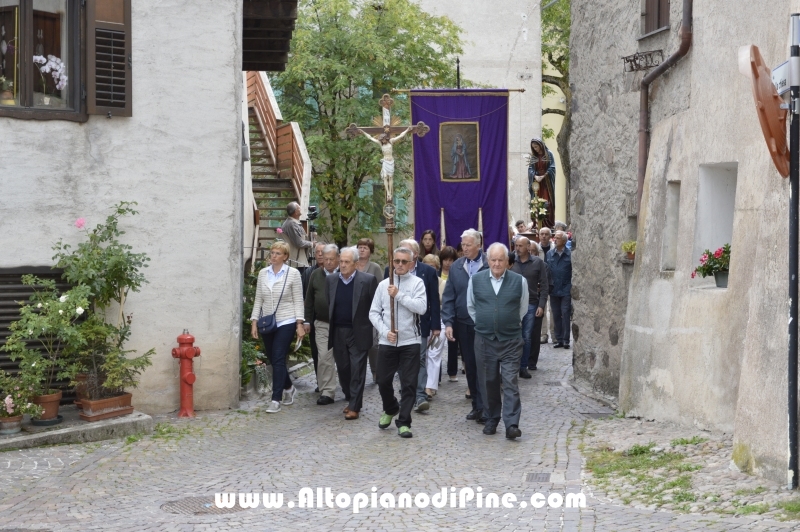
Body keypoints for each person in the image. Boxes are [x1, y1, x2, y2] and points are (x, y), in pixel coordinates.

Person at [468, 243, 528, 439]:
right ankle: (492, 418)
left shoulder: (519, 281)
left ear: (507, 262)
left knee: (510, 381)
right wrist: (485, 323)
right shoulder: (476, 280)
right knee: (488, 381)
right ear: (487, 260)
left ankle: (511, 424)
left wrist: (507, 322)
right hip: (484, 340)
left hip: (511, 339)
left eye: (500, 260)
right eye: (493, 260)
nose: (496, 263)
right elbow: (471, 306)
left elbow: (523, 308)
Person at [369, 247, 427, 439]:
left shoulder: (417, 283)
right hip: (388, 342)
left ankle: (404, 421)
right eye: (397, 261)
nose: (400, 265)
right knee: (383, 380)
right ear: (392, 262)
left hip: (410, 341)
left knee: (409, 383)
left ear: (411, 264)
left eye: (404, 261)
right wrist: (385, 332)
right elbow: (373, 312)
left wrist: (399, 295)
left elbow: (421, 308)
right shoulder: (383, 285)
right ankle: (391, 407)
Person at [250, 241, 306, 413]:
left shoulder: (293, 274)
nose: (273, 255)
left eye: (277, 253)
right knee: (274, 359)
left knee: (278, 356)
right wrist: (254, 321)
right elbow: (259, 298)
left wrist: (299, 324)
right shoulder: (262, 273)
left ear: (285, 257)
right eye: (272, 252)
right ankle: (289, 388)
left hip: (286, 320)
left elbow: (298, 299)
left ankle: (276, 399)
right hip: (267, 321)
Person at [387, 239, 440, 413]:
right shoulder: (390, 271)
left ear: (415, 255)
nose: (401, 259)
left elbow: (433, 300)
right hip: (399, 325)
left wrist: (435, 326)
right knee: (402, 361)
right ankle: (406, 392)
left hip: (421, 323)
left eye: (406, 252)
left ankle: (420, 395)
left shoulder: (428, 272)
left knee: (420, 359)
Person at [327, 247, 378, 420]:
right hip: (338, 331)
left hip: (359, 331)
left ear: (356, 264)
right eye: (341, 261)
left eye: (347, 262)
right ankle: (351, 397)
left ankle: (355, 406)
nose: (342, 265)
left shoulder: (368, 280)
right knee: (343, 368)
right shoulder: (332, 280)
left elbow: (375, 307)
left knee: (357, 370)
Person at [443, 228, 488, 424]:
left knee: (485, 365)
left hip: (485, 323)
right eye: (463, 245)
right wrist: (448, 322)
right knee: (470, 364)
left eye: (469, 245)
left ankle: (488, 407)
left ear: (478, 245)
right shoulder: (457, 267)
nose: (465, 248)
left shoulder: (489, 264)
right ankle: (477, 406)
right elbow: (449, 297)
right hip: (463, 322)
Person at [303, 244, 339, 406]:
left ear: (338, 259)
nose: (329, 262)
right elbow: (309, 299)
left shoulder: (345, 274)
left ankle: (349, 386)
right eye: (326, 259)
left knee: (344, 359)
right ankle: (327, 391)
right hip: (322, 323)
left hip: (342, 324)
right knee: (324, 357)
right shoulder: (316, 275)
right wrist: (307, 320)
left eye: (332, 259)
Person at [511, 237, 549, 376]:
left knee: (527, 336)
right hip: (513, 305)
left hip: (531, 303)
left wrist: (542, 305)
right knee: (513, 336)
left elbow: (544, 286)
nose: (518, 248)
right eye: (516, 245)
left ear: (528, 247)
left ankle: (523, 366)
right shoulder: (511, 262)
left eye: (521, 245)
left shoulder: (538, 263)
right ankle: (512, 364)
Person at [355, 237, 383, 384]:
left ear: (370, 251)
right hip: (354, 311)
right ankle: (358, 374)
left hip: (371, 310)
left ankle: (376, 371)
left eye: (365, 247)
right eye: (360, 247)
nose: (362, 249)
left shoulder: (375, 267)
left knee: (373, 344)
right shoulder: (352, 265)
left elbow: (380, 289)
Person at [422, 254, 447, 399]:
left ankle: (430, 386)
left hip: (440, 322)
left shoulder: (442, 283)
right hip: (424, 322)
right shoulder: (418, 281)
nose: (430, 269)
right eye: (427, 266)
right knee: (423, 355)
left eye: (433, 266)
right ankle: (423, 383)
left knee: (434, 354)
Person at [302, 241, 327, 386]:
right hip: (314, 319)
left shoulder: (335, 272)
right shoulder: (308, 273)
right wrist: (306, 320)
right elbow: (306, 298)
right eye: (317, 252)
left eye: (322, 251)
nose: (319, 254)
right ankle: (320, 382)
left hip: (332, 321)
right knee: (317, 352)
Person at [546, 231, 573, 349]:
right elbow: (546, 270)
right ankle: (559, 339)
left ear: (564, 241)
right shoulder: (549, 254)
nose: (554, 240)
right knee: (556, 314)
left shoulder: (570, 254)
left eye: (557, 238)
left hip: (566, 288)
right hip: (553, 289)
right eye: (554, 238)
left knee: (565, 313)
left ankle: (566, 339)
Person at [439, 246, 460, 382]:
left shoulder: (457, 273)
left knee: (453, 341)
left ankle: (452, 371)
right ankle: (437, 374)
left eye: (451, 260)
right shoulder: (435, 273)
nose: (447, 263)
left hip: (453, 310)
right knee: (437, 344)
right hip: (438, 309)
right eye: (445, 260)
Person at [528, 138, 556, 230]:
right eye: (533, 147)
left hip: (546, 183)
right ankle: (536, 223)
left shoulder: (549, 154)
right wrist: (535, 176)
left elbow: (552, 167)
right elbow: (530, 169)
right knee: (535, 201)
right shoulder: (533, 157)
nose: (535, 149)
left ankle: (548, 224)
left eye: (536, 146)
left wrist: (544, 176)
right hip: (537, 184)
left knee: (547, 202)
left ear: (540, 145)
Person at [282, 202, 313, 272]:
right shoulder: (292, 224)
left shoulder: (294, 222)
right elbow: (299, 243)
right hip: (296, 262)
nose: (300, 209)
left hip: (298, 260)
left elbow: (302, 238)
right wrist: (312, 244)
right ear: (295, 212)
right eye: (299, 208)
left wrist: (311, 236)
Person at [538, 227, 554, 345]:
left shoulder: (554, 248)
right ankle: (543, 334)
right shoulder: (535, 248)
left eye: (546, 234)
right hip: (540, 283)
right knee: (541, 308)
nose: (543, 236)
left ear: (550, 236)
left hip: (553, 282)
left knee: (553, 310)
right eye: (541, 234)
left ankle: (554, 334)